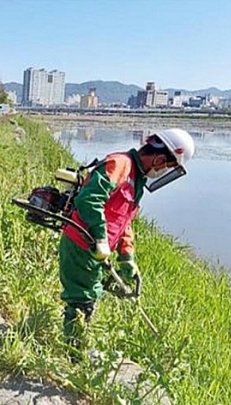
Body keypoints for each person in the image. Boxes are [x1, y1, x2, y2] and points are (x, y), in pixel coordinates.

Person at [58, 128, 195, 362]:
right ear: (160, 159)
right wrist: (101, 239)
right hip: (81, 243)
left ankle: (78, 346)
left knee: (90, 297)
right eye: (167, 167)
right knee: (82, 299)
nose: (163, 171)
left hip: (97, 250)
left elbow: (124, 221)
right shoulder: (120, 164)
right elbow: (90, 199)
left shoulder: (137, 179)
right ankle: (75, 355)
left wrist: (126, 256)